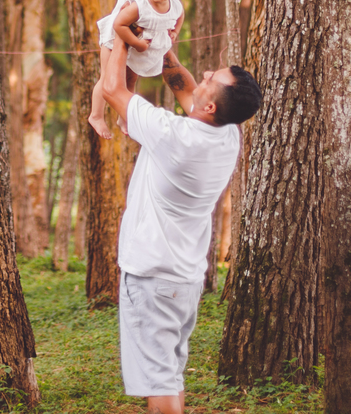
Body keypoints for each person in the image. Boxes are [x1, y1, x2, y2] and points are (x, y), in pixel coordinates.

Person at [101, 39, 262, 414]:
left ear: (210, 107)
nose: (203, 75)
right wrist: (162, 46)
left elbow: (112, 88)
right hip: (183, 278)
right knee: (170, 373)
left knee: (158, 378)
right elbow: (183, 86)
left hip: (152, 275)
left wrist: (123, 35)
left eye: (211, 79)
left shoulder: (173, 135)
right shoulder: (227, 133)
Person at [88, 0, 186, 139]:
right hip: (115, 40)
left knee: (131, 80)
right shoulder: (138, 6)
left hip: (139, 42)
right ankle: (96, 116)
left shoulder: (174, 5)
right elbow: (119, 25)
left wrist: (175, 31)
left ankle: (124, 115)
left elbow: (180, 16)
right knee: (107, 77)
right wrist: (137, 44)